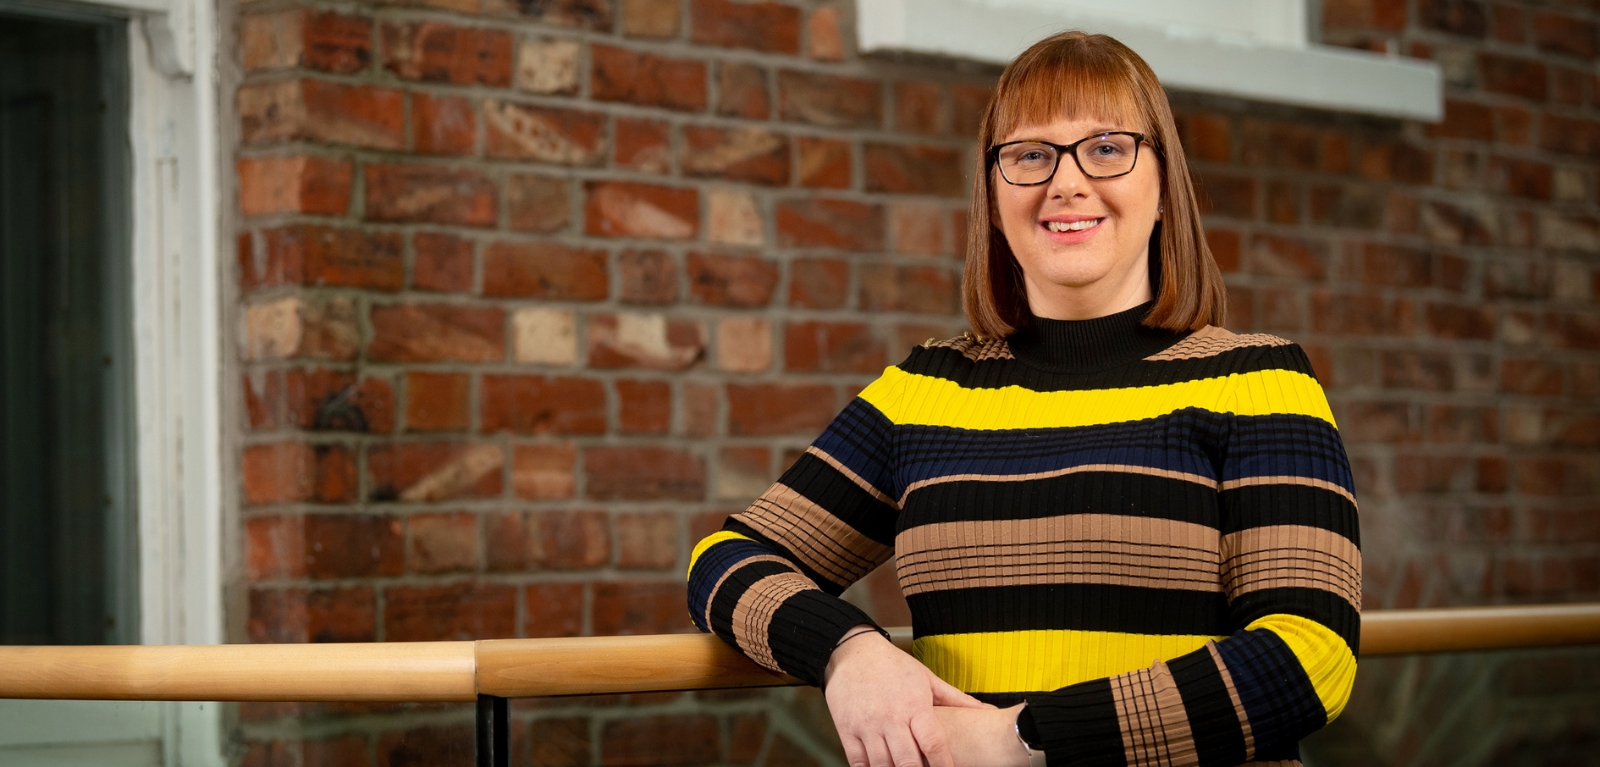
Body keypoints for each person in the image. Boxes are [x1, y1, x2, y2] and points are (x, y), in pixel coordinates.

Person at [686, 30, 1359, 767]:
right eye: (1031, 155)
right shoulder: (925, 392)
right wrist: (847, 651)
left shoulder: (1259, 382)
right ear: (993, 194)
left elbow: (1309, 656)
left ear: (1166, 187)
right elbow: (728, 559)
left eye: (1106, 148)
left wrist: (1024, 740)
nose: (1065, 183)